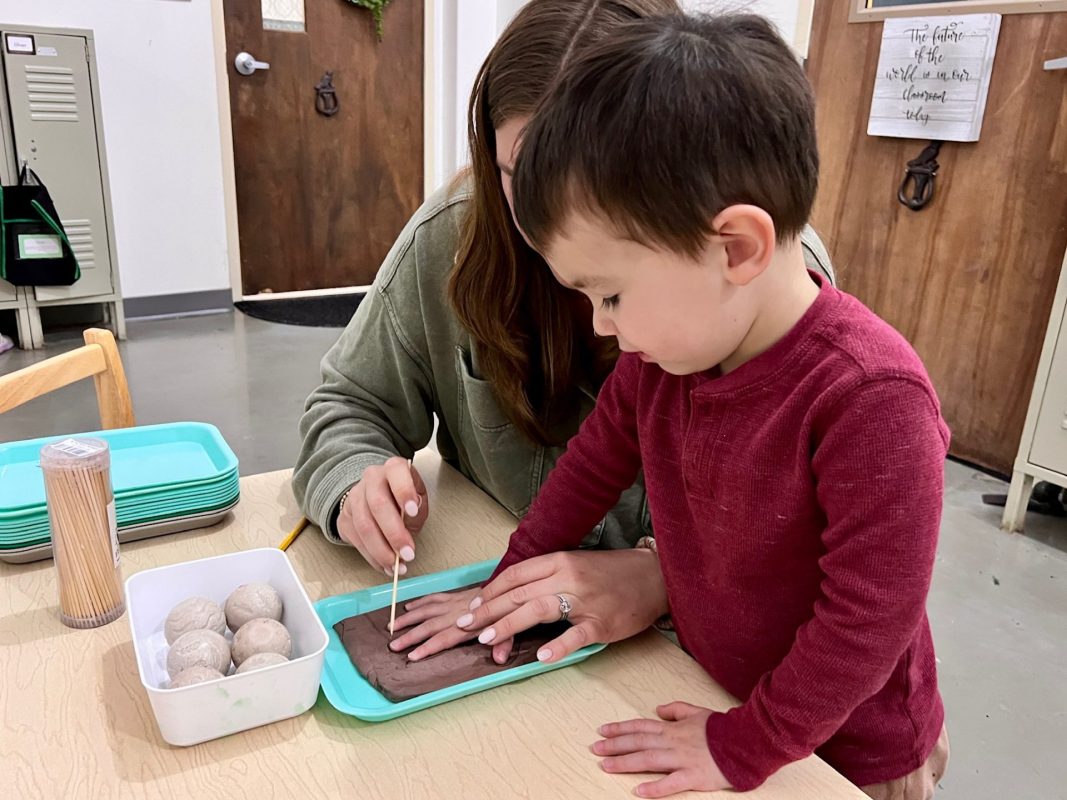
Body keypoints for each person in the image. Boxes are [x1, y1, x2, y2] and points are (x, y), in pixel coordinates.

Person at [436, 12, 950, 799]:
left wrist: (747, 744)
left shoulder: (871, 398)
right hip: (724, 698)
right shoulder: (668, 358)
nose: (601, 325)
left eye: (611, 294)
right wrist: (502, 586)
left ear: (735, 247)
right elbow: (588, 471)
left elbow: (867, 622)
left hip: (848, 754)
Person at [293, 0, 835, 661]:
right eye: (524, 179)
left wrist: (663, 576)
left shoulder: (770, 293)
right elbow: (352, 404)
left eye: (614, 294)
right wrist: (357, 484)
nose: (554, 221)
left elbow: (826, 569)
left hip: (697, 666)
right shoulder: (451, 236)